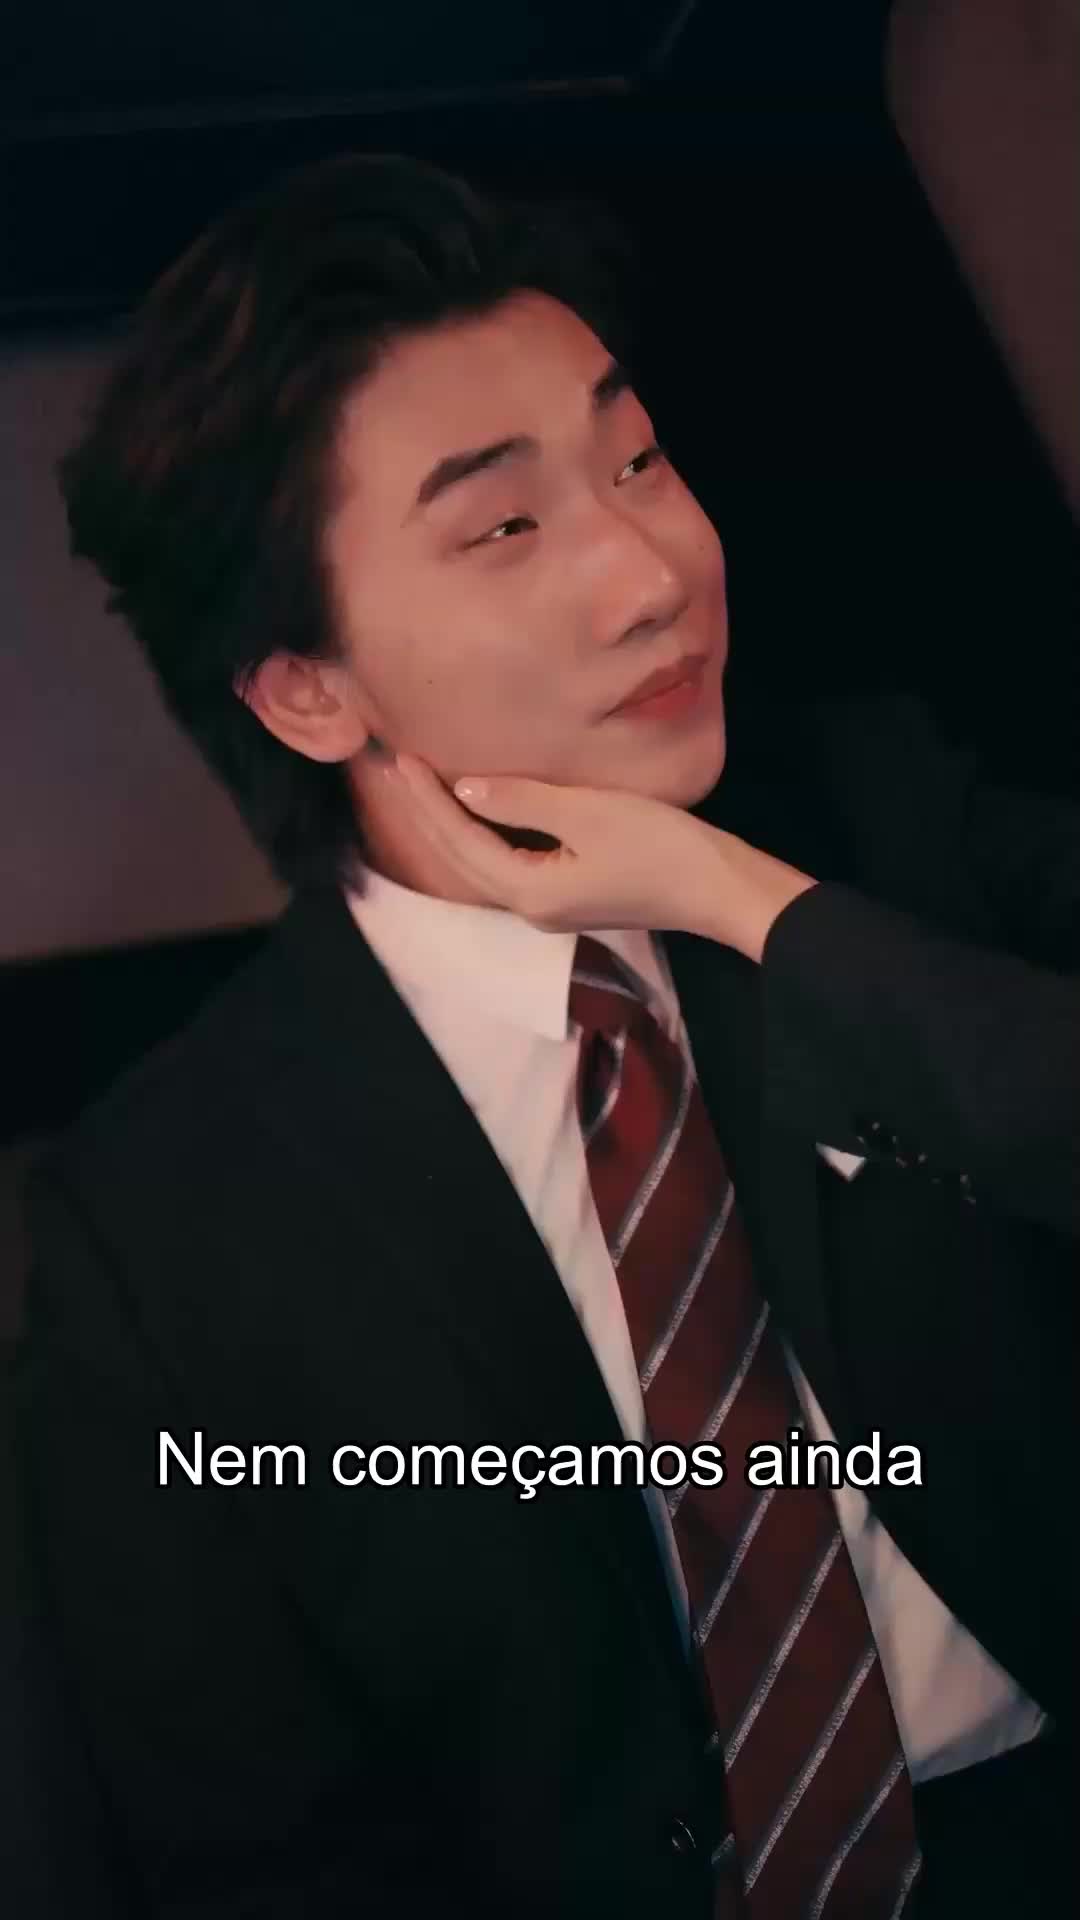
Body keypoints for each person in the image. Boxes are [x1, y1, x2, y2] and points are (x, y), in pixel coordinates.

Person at [13, 151, 1076, 1920]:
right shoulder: (161, 1226)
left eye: (638, 460)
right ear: (306, 688)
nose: (652, 573)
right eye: (504, 528)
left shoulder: (882, 824)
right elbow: (245, 1841)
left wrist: (745, 900)